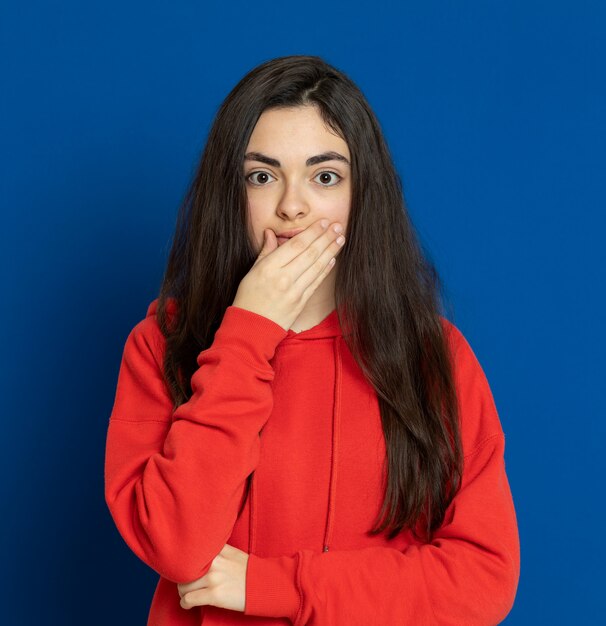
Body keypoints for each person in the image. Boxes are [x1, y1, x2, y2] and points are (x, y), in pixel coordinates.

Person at [104, 54, 520, 626]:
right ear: (232, 192)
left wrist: (276, 586)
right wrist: (250, 331)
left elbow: (483, 582)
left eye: (325, 176)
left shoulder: (435, 356)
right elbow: (177, 545)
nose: (291, 206)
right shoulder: (162, 343)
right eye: (262, 175)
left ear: (361, 193)